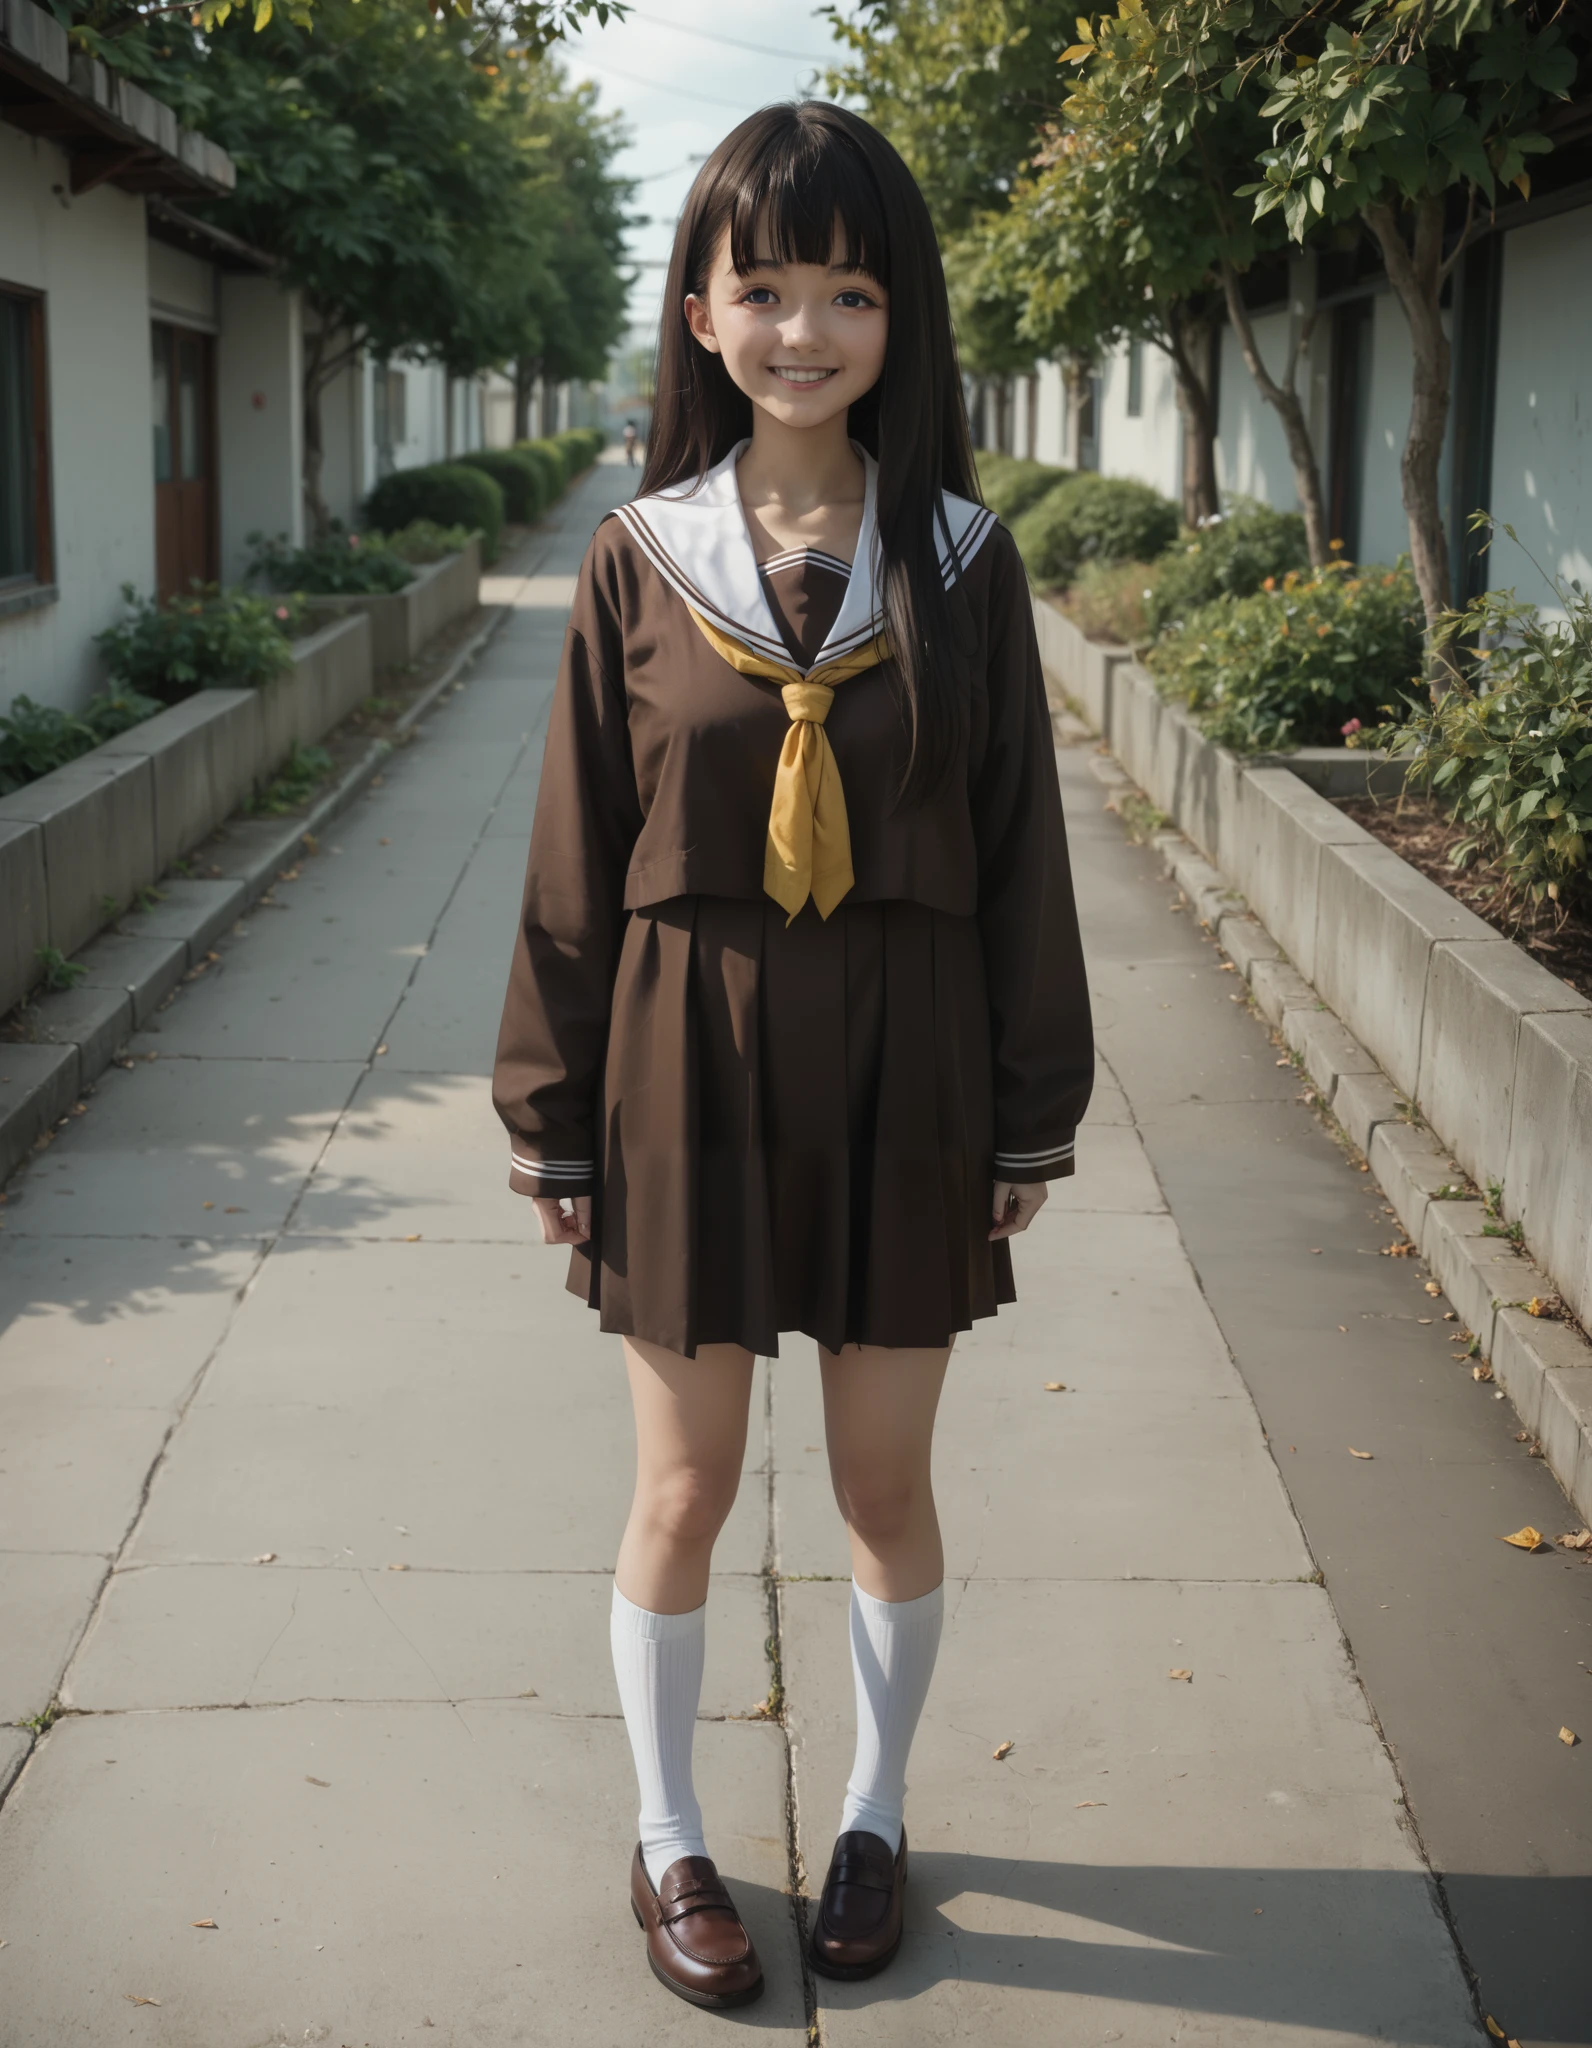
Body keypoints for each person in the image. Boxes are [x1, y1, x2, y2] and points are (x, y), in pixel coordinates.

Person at [493, 100, 1092, 2011]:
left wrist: (1028, 1109)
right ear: (698, 313)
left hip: (910, 1066)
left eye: (850, 288)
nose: (806, 328)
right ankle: (670, 1837)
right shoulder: (639, 559)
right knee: (680, 1485)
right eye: (767, 287)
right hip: (685, 1064)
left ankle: (875, 1812)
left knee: (884, 1482)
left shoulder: (964, 561)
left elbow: (1018, 853)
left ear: (900, 317)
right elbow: (578, 850)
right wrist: (555, 1119)